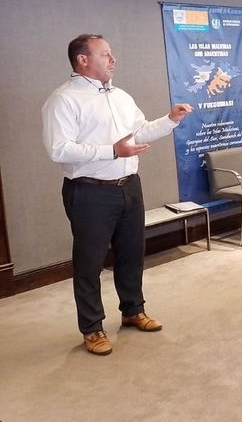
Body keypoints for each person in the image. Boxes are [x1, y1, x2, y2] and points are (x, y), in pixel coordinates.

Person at [42, 34, 193, 356]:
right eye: (105, 54)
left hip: (129, 186)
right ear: (83, 60)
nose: (113, 59)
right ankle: (92, 327)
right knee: (90, 262)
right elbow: (59, 149)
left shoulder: (120, 96)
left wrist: (170, 120)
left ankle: (133, 310)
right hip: (89, 191)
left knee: (131, 253)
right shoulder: (64, 99)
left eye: (111, 54)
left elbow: (138, 131)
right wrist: (112, 151)